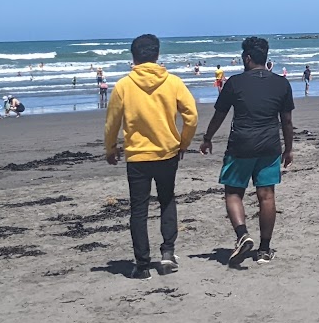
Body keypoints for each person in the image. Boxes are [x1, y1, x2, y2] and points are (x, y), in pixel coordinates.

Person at [104, 34, 198, 281]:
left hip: (138, 156)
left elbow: (112, 122)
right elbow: (192, 116)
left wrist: (111, 148)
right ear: (157, 55)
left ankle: (142, 264)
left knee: (139, 209)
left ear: (134, 57)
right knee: (167, 200)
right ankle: (167, 253)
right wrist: (183, 143)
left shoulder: (123, 85)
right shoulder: (173, 82)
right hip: (167, 152)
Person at [197, 37, 294, 266]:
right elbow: (287, 121)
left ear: (247, 58)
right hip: (270, 145)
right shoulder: (282, 84)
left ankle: (242, 235)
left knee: (233, 193)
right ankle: (264, 250)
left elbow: (219, 115)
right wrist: (288, 149)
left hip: (241, 145)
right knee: (267, 196)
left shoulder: (235, 83)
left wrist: (207, 139)